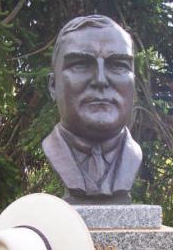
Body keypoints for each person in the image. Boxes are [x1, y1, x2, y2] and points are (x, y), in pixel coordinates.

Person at [42, 15, 142, 204]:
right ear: (53, 86)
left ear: (133, 86)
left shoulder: (133, 154)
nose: (101, 80)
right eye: (80, 65)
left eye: (118, 66)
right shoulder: (51, 148)